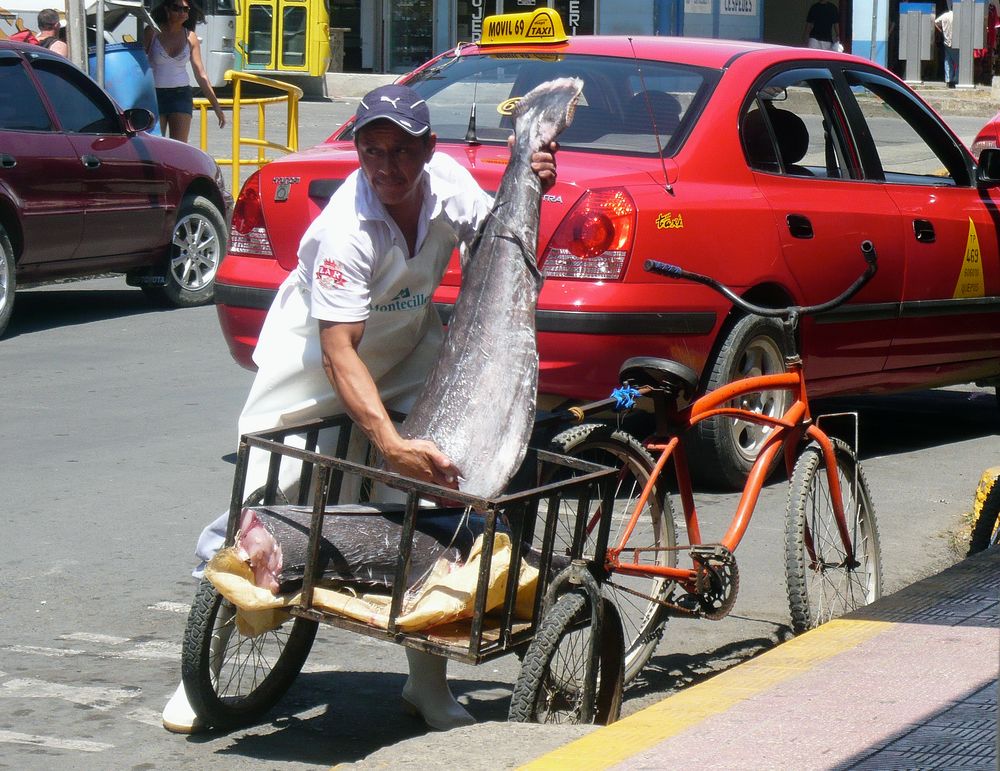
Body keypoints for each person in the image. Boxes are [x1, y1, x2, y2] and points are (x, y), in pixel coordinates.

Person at [161, 83, 559, 734]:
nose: (387, 166)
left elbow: (498, 246)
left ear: (429, 150)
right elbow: (339, 353)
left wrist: (532, 181)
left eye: (402, 150)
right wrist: (386, 440)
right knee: (268, 501)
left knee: (427, 504)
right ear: (358, 152)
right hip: (313, 365)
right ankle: (200, 674)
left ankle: (426, 684)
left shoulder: (448, 185)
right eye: (372, 150)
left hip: (406, 350)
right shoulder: (345, 229)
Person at [143, 0, 225, 141]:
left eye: (185, 9)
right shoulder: (152, 32)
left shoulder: (190, 37)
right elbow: (139, 64)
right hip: (155, 95)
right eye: (177, 8)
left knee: (180, 146)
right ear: (167, 10)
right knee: (157, 144)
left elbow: (201, 74)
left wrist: (216, 106)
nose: (182, 13)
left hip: (180, 95)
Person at [935, 8, 958, 87]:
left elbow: (935, 22)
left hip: (946, 41)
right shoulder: (958, 15)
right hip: (956, 42)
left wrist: (941, 31)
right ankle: (955, 79)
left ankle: (948, 80)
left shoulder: (945, 15)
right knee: (958, 62)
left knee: (948, 61)